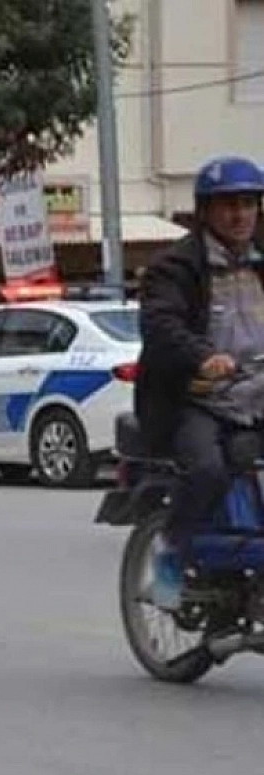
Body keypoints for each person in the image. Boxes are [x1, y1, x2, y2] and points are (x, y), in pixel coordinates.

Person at [137, 155, 264, 608]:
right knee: (207, 471)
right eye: (228, 204)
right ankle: (171, 552)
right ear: (205, 211)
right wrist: (204, 358)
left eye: (248, 203)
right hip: (198, 400)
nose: (240, 214)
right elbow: (161, 323)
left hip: (257, 394)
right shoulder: (175, 267)